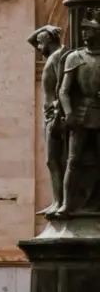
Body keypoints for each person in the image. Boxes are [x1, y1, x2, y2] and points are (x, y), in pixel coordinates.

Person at [59, 19, 100, 213]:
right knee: (73, 160)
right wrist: (68, 113)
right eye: (83, 30)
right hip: (80, 116)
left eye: (89, 30)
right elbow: (63, 91)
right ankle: (67, 203)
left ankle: (94, 201)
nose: (84, 33)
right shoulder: (75, 57)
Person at [32, 24, 66, 214]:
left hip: (54, 115)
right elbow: (30, 39)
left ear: (49, 41)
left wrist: (56, 109)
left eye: (40, 43)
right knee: (52, 160)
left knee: (55, 160)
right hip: (50, 115)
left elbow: (64, 86)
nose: (37, 47)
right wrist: (45, 27)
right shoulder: (53, 55)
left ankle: (59, 201)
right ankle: (58, 201)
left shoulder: (58, 57)